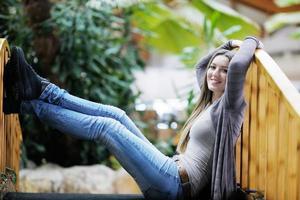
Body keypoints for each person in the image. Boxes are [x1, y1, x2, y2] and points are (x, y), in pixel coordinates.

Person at [3, 36, 262, 200]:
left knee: (106, 128)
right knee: (116, 114)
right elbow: (201, 66)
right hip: (170, 169)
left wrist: (248, 41)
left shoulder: (230, 108)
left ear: (233, 79)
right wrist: (226, 47)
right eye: (214, 68)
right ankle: (42, 90)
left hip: (176, 186)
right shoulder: (209, 101)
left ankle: (26, 104)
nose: (214, 74)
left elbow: (239, 66)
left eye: (224, 71)